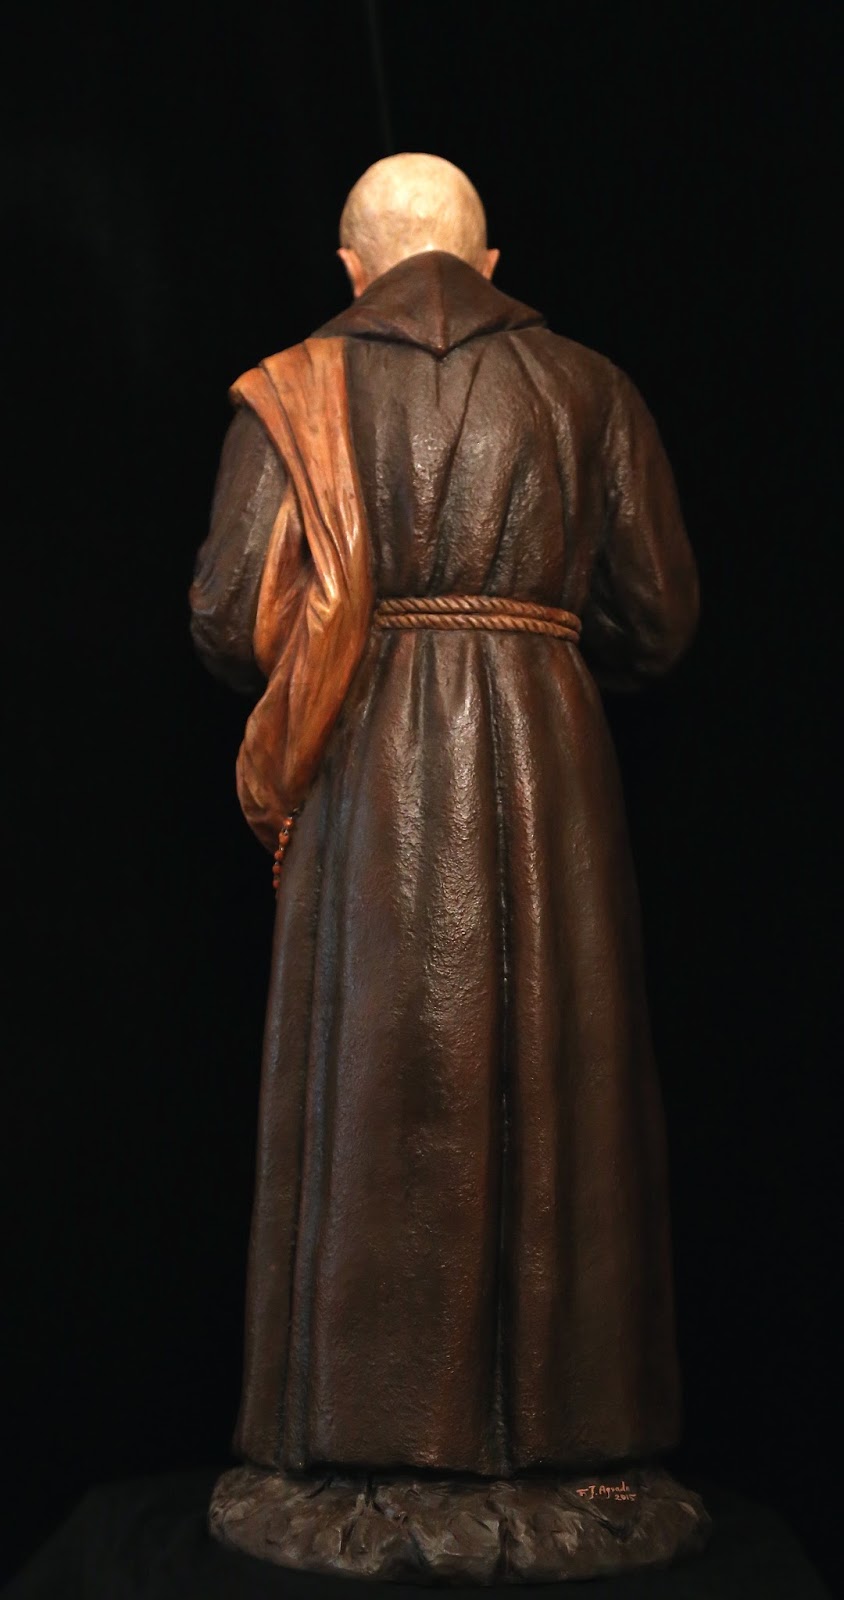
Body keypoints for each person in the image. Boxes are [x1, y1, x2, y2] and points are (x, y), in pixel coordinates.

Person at [190, 153, 703, 1580]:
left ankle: (358, 1430)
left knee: (373, 1082)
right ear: (487, 264)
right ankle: (573, 1430)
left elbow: (230, 618)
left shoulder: (294, 390)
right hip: (555, 771)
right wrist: (530, 650)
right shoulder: (589, 388)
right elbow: (660, 618)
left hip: (363, 768)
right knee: (561, 1081)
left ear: (352, 270)